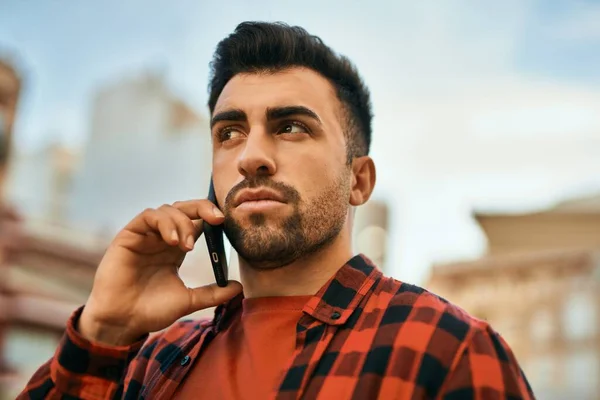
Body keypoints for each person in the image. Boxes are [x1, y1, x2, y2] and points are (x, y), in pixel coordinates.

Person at [18, 22, 535, 400]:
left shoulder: (446, 350)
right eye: (230, 132)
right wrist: (102, 332)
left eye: (291, 126)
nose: (251, 156)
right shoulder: (153, 359)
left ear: (358, 181)